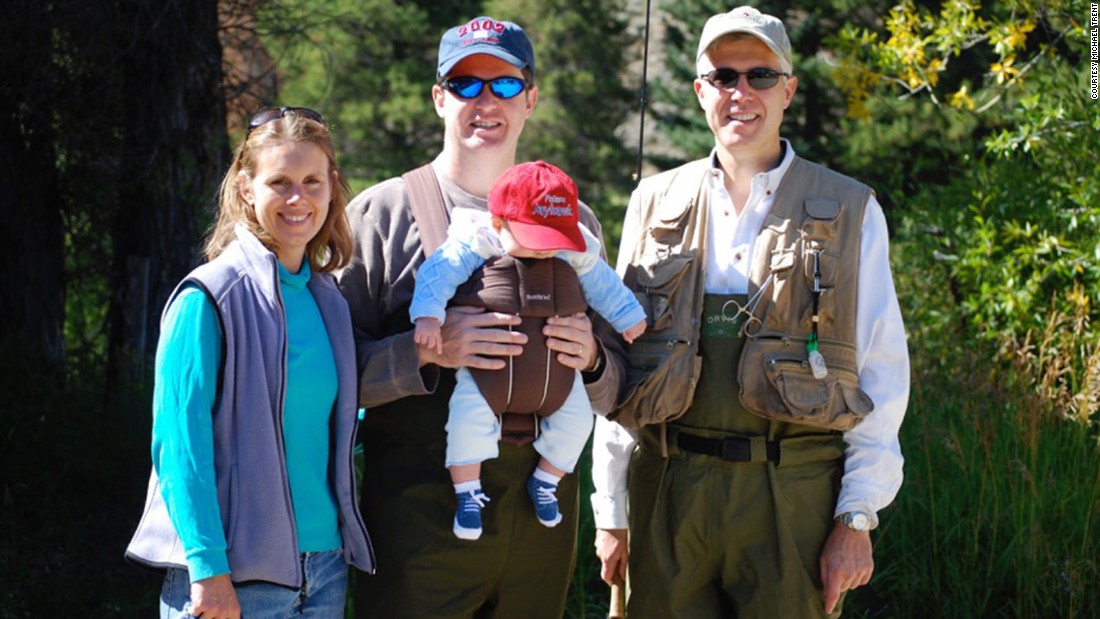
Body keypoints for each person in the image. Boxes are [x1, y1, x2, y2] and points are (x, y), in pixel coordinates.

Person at [591, 6, 910, 618]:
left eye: (760, 76)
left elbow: (883, 375)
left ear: (788, 89)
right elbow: (619, 369)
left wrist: (857, 515)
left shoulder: (851, 208)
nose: (741, 93)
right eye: (723, 77)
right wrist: (612, 511)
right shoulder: (651, 201)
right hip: (666, 490)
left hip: (794, 500)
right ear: (699, 91)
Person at [336, 16, 627, 619]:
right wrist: (425, 352)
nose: (486, 102)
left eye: (505, 84)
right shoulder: (382, 215)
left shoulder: (577, 224)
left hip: (541, 534)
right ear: (439, 98)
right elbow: (326, 378)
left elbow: (623, 381)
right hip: (420, 528)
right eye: (466, 85)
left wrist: (593, 357)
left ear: (531, 99)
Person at [126, 106, 374, 619]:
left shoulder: (328, 299)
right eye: (279, 182)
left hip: (325, 569)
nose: (297, 199)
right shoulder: (208, 297)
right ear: (245, 188)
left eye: (312, 181)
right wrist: (208, 569)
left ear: (332, 186)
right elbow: (179, 450)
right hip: (234, 578)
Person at [410, 160, 645, 541]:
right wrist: (427, 317)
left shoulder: (571, 246)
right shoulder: (478, 239)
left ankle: (546, 480)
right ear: (499, 223)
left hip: (556, 376)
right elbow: (439, 273)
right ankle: (467, 494)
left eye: (556, 239)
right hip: (488, 372)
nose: (547, 249)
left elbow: (603, 282)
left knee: (578, 423)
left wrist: (628, 316)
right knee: (466, 421)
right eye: (536, 239)